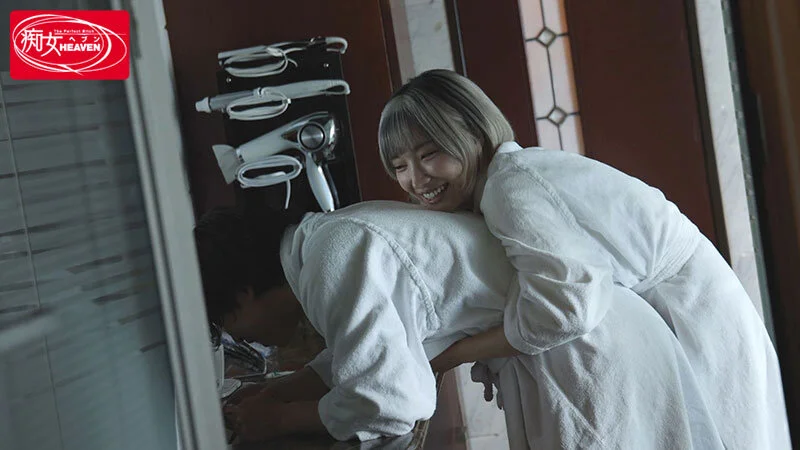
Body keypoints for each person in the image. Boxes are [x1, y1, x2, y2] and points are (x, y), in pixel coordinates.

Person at [377, 69, 790, 449]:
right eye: (399, 165)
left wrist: (453, 354)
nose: (415, 179)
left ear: (471, 132)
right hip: (681, 302)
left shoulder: (509, 186)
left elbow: (566, 307)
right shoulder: (506, 179)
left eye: (429, 154)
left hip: (693, 310)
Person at [194, 202, 724, 448]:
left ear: (244, 291)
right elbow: (374, 353)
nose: (245, 339)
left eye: (231, 322)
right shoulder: (329, 243)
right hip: (584, 345)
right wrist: (284, 390)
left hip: (587, 353)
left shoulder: (332, 260)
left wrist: (280, 420)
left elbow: (391, 402)